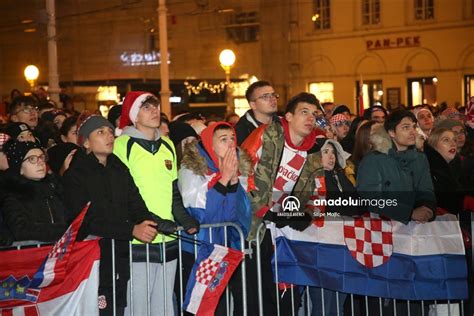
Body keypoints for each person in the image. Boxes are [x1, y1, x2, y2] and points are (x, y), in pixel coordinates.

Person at [62, 115, 176, 315]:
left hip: (119, 255)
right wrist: (131, 229)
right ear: (86, 142)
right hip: (92, 259)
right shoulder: (76, 175)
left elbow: (136, 204)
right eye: (100, 132)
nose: (109, 136)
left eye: (109, 131)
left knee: (119, 307)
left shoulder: (118, 167)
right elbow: (86, 221)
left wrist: (154, 223)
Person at [113, 91, 199, 316]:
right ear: (134, 116)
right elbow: (123, 195)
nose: (154, 111)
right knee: (138, 306)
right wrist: (151, 220)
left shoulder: (168, 145)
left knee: (163, 305)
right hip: (139, 238)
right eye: (146, 108)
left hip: (168, 238)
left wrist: (185, 219)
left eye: (156, 107)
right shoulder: (122, 145)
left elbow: (172, 192)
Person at [242, 92, 323, 315]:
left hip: (285, 232)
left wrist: (306, 214)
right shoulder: (266, 135)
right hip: (254, 229)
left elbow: (317, 190)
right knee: (258, 296)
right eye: (304, 112)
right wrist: (263, 211)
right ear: (287, 116)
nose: (310, 119)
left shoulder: (313, 150)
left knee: (286, 298)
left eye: (314, 114)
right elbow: (244, 172)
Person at [178, 122, 252, 315]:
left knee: (222, 307)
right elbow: (203, 216)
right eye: (223, 139)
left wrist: (233, 184)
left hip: (224, 251)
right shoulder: (191, 170)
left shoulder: (236, 170)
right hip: (199, 251)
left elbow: (238, 221)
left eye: (233, 138)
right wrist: (223, 181)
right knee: (199, 306)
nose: (230, 144)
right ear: (210, 144)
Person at [356, 110, 436, 224]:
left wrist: (427, 209)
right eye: (405, 127)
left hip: (415, 228)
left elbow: (426, 189)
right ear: (391, 132)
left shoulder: (420, 158)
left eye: (414, 127)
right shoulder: (374, 160)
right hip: (382, 228)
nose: (412, 132)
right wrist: (409, 213)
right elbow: (370, 198)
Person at [2, 140, 67, 242]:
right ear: (20, 168)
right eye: (32, 159)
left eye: (41, 157)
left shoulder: (54, 187)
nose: (40, 162)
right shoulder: (13, 196)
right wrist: (63, 230)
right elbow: (21, 230)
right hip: (33, 255)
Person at [235, 80, 278, 145]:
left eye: (273, 95)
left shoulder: (283, 124)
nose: (273, 99)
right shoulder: (241, 132)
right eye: (265, 97)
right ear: (253, 105)